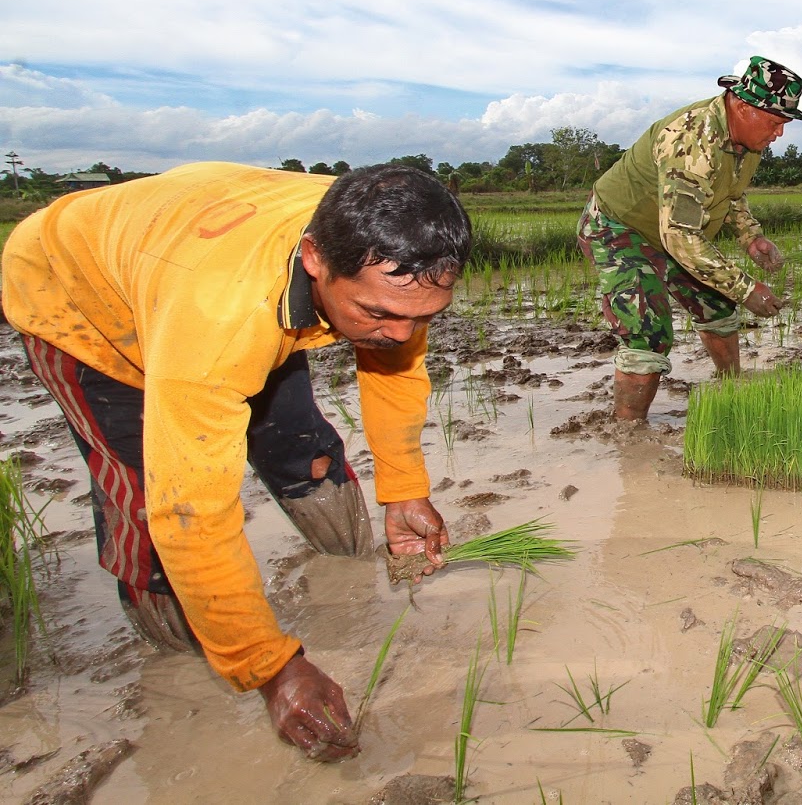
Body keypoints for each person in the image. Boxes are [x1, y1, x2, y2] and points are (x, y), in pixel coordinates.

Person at [0, 161, 471, 761]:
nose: (404, 334)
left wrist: (404, 488)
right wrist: (270, 666)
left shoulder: (397, 263)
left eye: (423, 317)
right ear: (314, 261)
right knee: (146, 493)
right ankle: (174, 662)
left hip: (202, 266)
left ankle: (346, 564)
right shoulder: (223, 320)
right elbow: (190, 510)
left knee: (301, 448)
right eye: (377, 314)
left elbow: (395, 372)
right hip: (79, 296)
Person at [577, 56, 802, 420]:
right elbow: (681, 238)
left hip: (674, 231)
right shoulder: (692, 139)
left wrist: (751, 236)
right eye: (775, 121)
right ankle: (628, 435)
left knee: (717, 303)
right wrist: (748, 289)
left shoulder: (748, 143)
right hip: (621, 228)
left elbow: (731, 193)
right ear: (744, 107)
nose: (779, 133)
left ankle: (731, 386)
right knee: (648, 333)